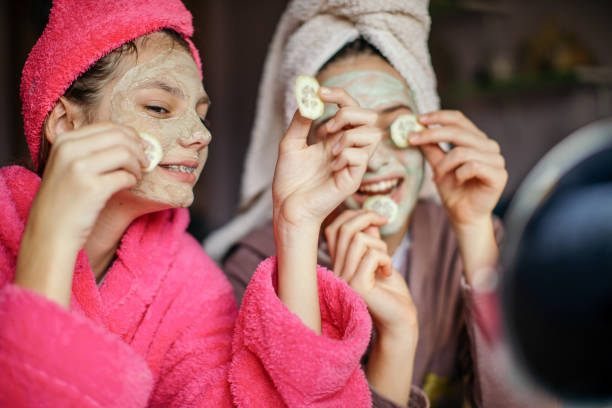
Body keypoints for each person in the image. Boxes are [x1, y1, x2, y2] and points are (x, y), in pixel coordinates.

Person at [0, 0, 384, 406]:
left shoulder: (186, 281)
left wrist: (297, 224)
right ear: (65, 123)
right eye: (158, 107)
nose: (201, 135)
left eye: (201, 115)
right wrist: (50, 240)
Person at [204, 1, 554, 407]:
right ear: (306, 150)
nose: (377, 160)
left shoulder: (464, 238)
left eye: (396, 126)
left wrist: (474, 227)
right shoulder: (255, 269)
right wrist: (394, 340)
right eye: (347, 134)